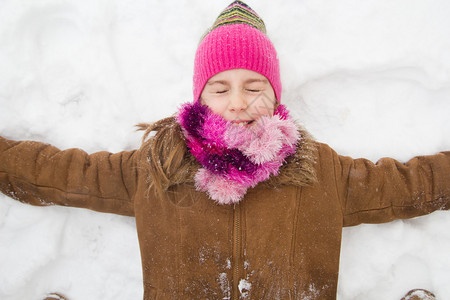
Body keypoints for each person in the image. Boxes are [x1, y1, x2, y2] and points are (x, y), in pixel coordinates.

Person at [0, 1, 449, 299]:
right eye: (220, 88)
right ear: (199, 97)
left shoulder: (318, 172)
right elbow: (63, 173)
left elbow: (408, 185)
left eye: (254, 87)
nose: (238, 103)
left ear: (275, 96)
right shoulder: (158, 167)